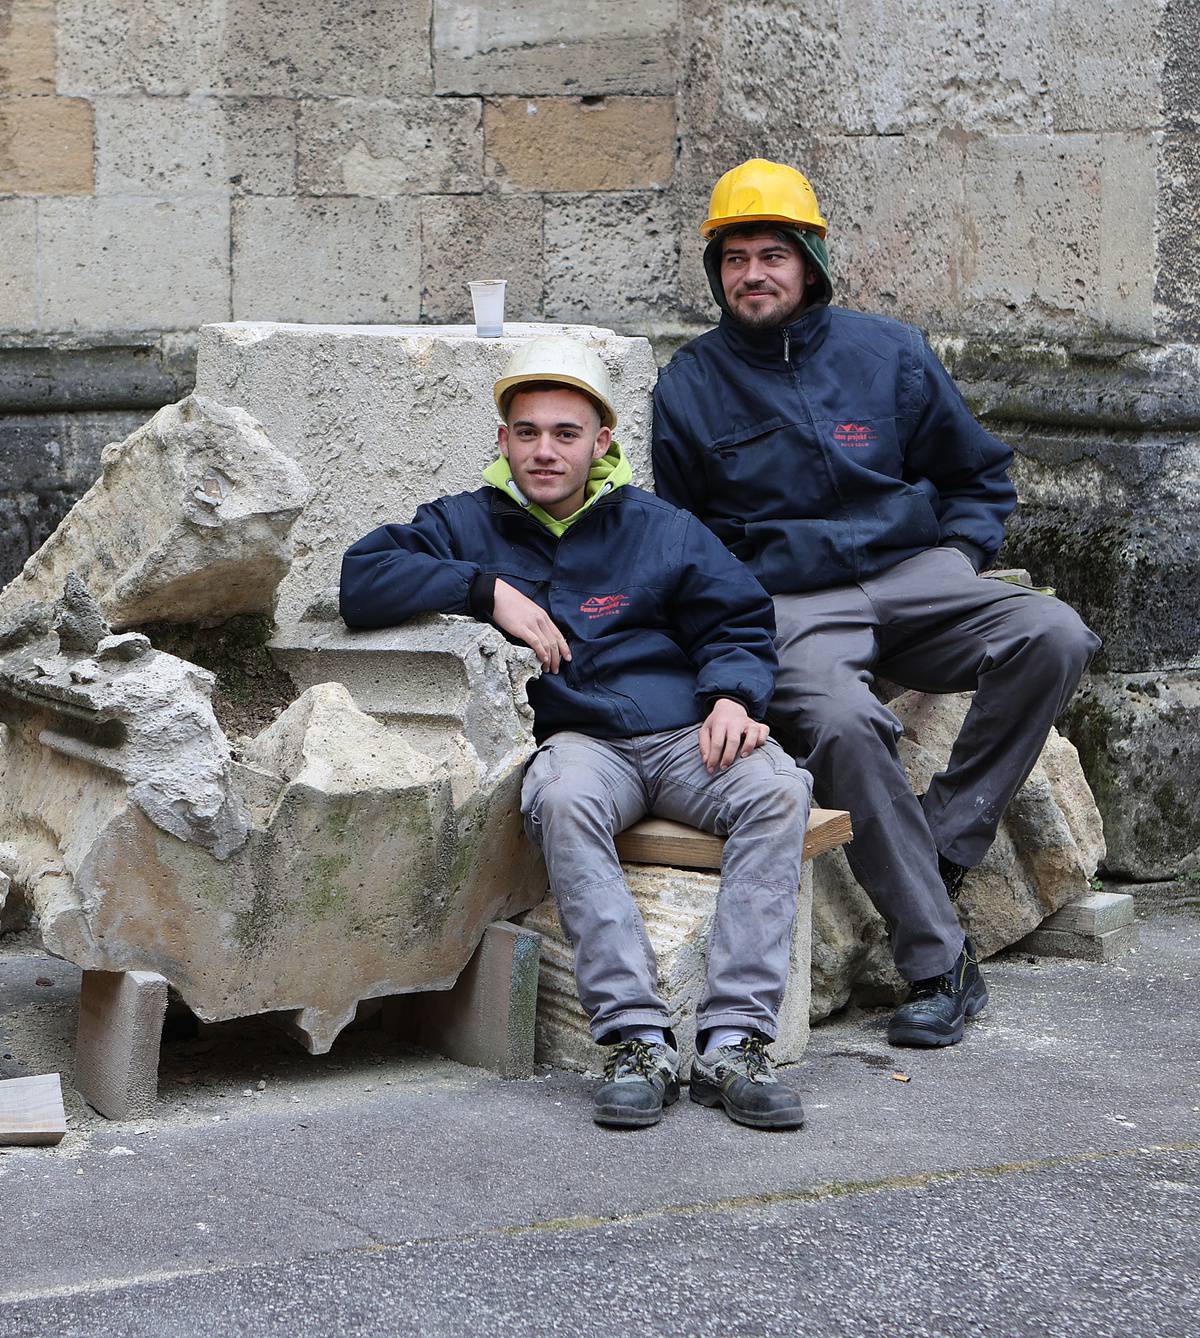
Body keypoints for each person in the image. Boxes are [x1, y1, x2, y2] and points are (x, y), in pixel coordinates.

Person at [651, 158, 1100, 1050]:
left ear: (810, 261)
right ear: (715, 272)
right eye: (734, 257)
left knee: (1055, 632)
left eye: (771, 254)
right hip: (786, 603)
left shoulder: (888, 351)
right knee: (845, 724)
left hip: (915, 577)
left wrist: (957, 559)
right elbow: (687, 547)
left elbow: (978, 472)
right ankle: (939, 962)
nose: (752, 274)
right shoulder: (689, 386)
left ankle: (941, 843)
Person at [341, 337, 814, 1132]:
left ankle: (734, 1041)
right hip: (581, 745)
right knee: (558, 796)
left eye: (566, 433)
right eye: (527, 432)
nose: (544, 450)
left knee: (778, 787)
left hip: (684, 736)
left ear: (602, 442)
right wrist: (484, 587)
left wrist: (732, 696)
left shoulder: (659, 527)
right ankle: (636, 1039)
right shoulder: (465, 523)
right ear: (502, 441)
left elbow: (736, 616)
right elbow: (363, 577)